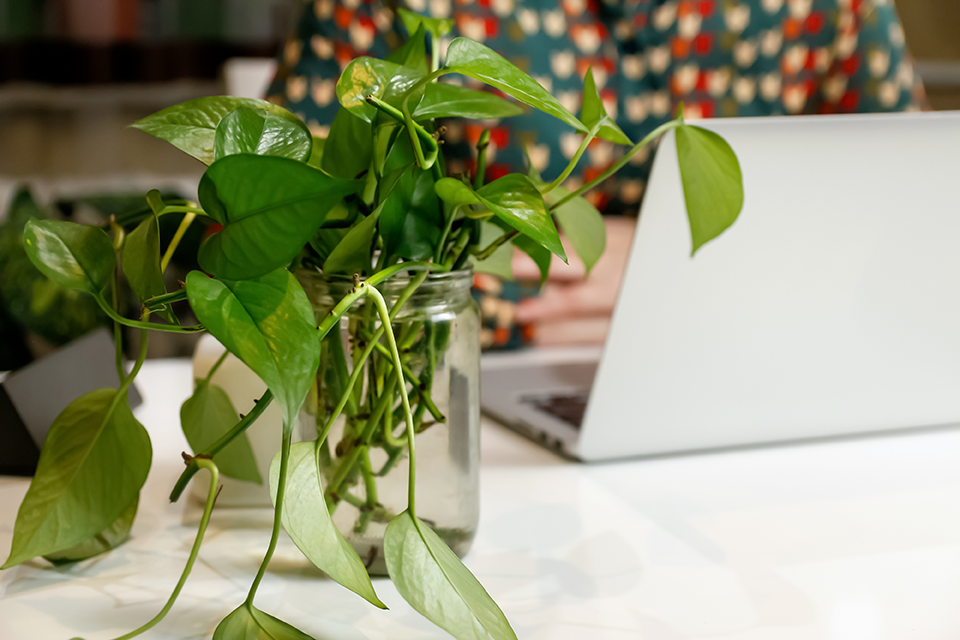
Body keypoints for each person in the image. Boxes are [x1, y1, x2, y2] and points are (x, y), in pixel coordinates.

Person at [266, 0, 927, 348]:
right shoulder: (394, 9)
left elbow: (916, 241)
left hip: (758, 380)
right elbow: (283, 255)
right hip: (458, 407)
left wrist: (674, 275)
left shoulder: (835, 10)